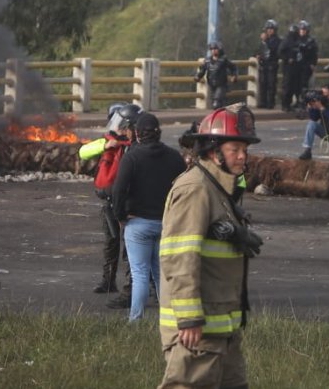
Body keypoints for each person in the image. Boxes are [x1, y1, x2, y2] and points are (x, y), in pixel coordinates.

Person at [159, 105, 263, 389]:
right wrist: (189, 317)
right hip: (198, 332)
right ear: (213, 151)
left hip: (222, 328)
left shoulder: (218, 189)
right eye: (234, 149)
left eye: (245, 149)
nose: (242, 156)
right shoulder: (195, 189)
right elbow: (179, 257)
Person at [111, 112, 187, 323]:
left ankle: (136, 320)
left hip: (137, 223)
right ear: (158, 132)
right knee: (161, 274)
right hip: (167, 224)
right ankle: (170, 321)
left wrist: (120, 216)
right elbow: (185, 188)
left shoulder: (132, 157)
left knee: (140, 274)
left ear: (137, 133)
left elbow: (118, 190)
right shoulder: (174, 157)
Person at [79, 103, 140, 298]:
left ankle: (132, 286)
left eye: (122, 125)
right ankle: (108, 281)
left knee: (130, 246)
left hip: (129, 203)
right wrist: (105, 146)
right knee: (111, 243)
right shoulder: (109, 141)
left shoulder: (137, 147)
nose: (118, 128)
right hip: (109, 202)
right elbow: (83, 151)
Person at [196, 42, 238, 109]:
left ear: (219, 50)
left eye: (215, 49)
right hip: (211, 84)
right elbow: (202, 70)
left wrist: (234, 76)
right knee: (218, 104)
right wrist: (198, 76)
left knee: (217, 102)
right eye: (212, 49)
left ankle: (220, 109)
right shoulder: (207, 60)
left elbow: (233, 67)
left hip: (222, 84)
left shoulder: (223, 59)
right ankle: (221, 113)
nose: (213, 51)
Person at [255, 20, 280, 109]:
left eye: (271, 28)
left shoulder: (277, 40)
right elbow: (258, 50)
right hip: (263, 65)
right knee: (263, 84)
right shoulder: (264, 40)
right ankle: (263, 102)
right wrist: (257, 55)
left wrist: (265, 41)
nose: (269, 30)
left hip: (272, 65)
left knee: (271, 84)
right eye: (268, 28)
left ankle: (270, 103)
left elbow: (273, 50)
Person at [278, 23, 301, 111]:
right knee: (287, 86)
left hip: (296, 67)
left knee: (294, 87)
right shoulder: (286, 41)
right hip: (288, 68)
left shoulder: (298, 41)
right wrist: (287, 59)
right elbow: (280, 52)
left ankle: (290, 104)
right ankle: (285, 104)